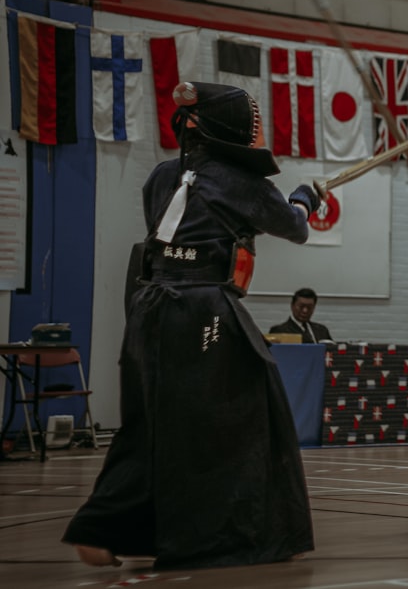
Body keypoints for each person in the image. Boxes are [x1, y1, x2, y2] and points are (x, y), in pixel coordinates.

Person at [63, 82, 317, 569]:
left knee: (149, 423)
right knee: (244, 414)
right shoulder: (244, 182)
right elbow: (295, 227)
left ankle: (100, 527)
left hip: (149, 306)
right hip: (204, 313)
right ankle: (236, 535)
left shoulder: (161, 175)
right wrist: (305, 198)